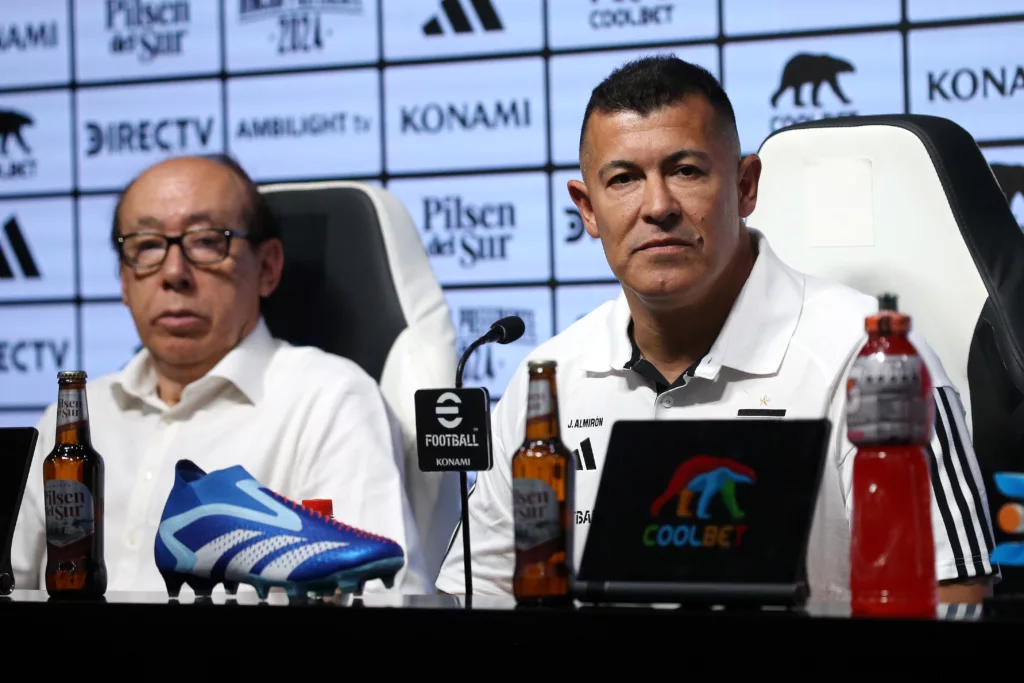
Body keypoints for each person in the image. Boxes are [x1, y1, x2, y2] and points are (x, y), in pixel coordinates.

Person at [436, 56, 997, 603]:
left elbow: (954, 596)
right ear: (587, 208)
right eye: (624, 179)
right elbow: (479, 592)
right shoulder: (549, 380)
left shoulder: (871, 361)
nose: (657, 207)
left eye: (686, 171)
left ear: (746, 186)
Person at [12, 155, 431, 595]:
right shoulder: (73, 418)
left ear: (267, 268)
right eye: (147, 245)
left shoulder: (329, 399)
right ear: (123, 279)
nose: (174, 273)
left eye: (208, 241)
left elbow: (377, 597)